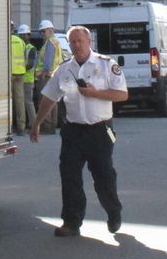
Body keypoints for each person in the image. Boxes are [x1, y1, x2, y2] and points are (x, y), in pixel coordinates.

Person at [29, 25, 128, 237]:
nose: (76, 45)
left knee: (104, 176)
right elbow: (49, 98)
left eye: (79, 41)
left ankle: (113, 211)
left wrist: (96, 93)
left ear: (88, 42)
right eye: (72, 42)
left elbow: (122, 95)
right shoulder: (64, 69)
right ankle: (71, 222)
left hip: (100, 130)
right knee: (69, 176)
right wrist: (37, 122)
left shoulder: (106, 65)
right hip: (73, 131)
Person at [33, 20, 63, 133]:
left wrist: (43, 73)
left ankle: (46, 127)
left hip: (46, 76)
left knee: (44, 101)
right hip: (54, 75)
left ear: (50, 30)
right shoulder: (56, 42)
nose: (41, 34)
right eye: (41, 32)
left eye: (43, 31)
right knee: (53, 101)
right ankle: (52, 126)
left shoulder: (50, 42)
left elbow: (48, 61)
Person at [10, 23, 29, 133]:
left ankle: (10, 126)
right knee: (20, 101)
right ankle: (21, 127)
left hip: (9, 74)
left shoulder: (5, 40)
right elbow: (25, 57)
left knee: (8, 101)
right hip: (20, 74)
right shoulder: (20, 41)